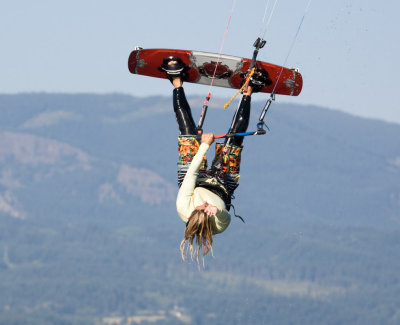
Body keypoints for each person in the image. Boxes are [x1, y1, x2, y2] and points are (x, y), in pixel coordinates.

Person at [160, 56, 271, 264]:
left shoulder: (183, 206)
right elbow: (224, 216)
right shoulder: (220, 224)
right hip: (223, 186)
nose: (202, 204)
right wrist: (216, 210)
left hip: (194, 179)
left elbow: (192, 173)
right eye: (205, 209)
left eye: (199, 208)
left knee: (187, 133)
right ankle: (249, 90)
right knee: (234, 140)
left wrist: (204, 145)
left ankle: (175, 80)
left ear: (192, 213)